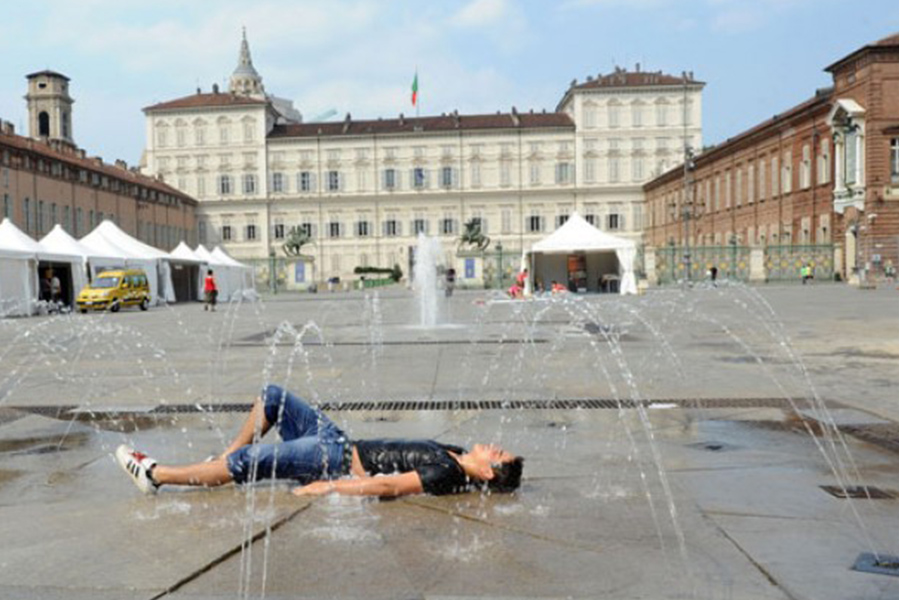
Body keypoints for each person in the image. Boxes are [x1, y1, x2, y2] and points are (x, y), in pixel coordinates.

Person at [115, 385, 524, 498]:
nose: (493, 444)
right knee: (273, 396)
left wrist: (328, 486)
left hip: (333, 460)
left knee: (252, 462)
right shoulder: (454, 454)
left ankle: (156, 475)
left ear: (487, 471)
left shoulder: (446, 470)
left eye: (497, 452)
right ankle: (222, 459)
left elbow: (387, 485)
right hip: (337, 439)